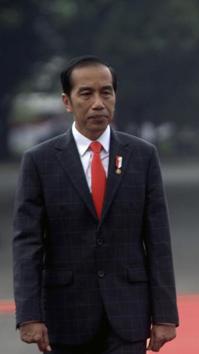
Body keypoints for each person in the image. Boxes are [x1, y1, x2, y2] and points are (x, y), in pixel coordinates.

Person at [12, 56, 178, 354]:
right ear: (67, 101)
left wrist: (165, 315)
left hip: (128, 312)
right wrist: (30, 315)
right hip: (66, 315)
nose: (98, 103)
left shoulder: (142, 156)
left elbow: (158, 241)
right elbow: (28, 244)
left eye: (106, 92)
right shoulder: (40, 161)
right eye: (86, 93)